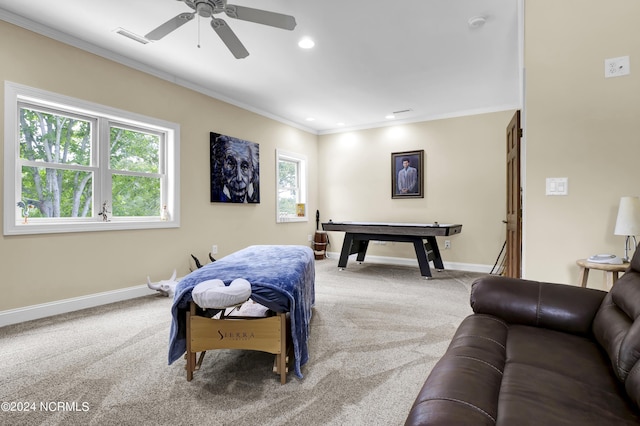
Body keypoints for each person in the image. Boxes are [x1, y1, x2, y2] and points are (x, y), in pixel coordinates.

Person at [210, 134, 260, 203]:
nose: (239, 178)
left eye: (245, 167)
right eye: (230, 164)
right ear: (221, 168)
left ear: (252, 173)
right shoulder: (216, 197)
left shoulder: (253, 200)